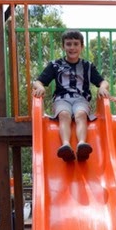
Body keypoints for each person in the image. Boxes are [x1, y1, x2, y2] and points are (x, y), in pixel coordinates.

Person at [32, 29, 110, 162]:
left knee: (81, 114)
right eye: (68, 44)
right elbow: (38, 81)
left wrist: (103, 87)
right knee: (64, 115)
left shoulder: (87, 66)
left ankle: (81, 144)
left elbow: (103, 81)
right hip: (62, 99)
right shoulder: (55, 65)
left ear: (81, 46)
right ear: (63, 46)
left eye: (75, 44)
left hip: (81, 99)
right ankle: (66, 145)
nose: (72, 48)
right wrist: (39, 87)